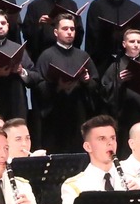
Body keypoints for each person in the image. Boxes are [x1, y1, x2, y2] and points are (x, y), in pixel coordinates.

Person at [32, 12, 98, 153]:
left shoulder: (83, 56)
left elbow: (96, 84)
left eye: (72, 29)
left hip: (79, 113)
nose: (69, 32)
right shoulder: (46, 55)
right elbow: (38, 87)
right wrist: (57, 86)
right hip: (54, 116)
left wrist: (86, 81)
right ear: (56, 32)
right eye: (65, 29)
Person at [85, 0, 140, 64]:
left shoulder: (135, 9)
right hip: (102, 61)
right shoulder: (97, 6)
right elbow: (91, 40)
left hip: (129, 62)